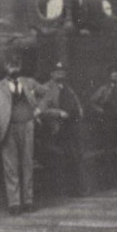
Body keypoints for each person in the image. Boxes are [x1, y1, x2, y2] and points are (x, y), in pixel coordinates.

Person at [0, 50, 47, 215]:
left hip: (27, 126)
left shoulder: (29, 82)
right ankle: (14, 204)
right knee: (10, 167)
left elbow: (47, 93)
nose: (13, 68)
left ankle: (28, 201)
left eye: (16, 65)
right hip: (8, 128)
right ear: (6, 67)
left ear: (20, 66)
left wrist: (40, 108)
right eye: (11, 65)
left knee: (27, 164)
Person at [43, 63, 87, 196]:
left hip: (71, 126)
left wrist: (79, 110)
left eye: (62, 71)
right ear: (52, 74)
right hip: (58, 128)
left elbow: (75, 101)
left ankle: (78, 189)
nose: (60, 74)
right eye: (57, 71)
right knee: (67, 158)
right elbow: (42, 109)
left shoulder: (67, 87)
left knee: (76, 158)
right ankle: (70, 190)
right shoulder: (45, 88)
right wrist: (59, 113)